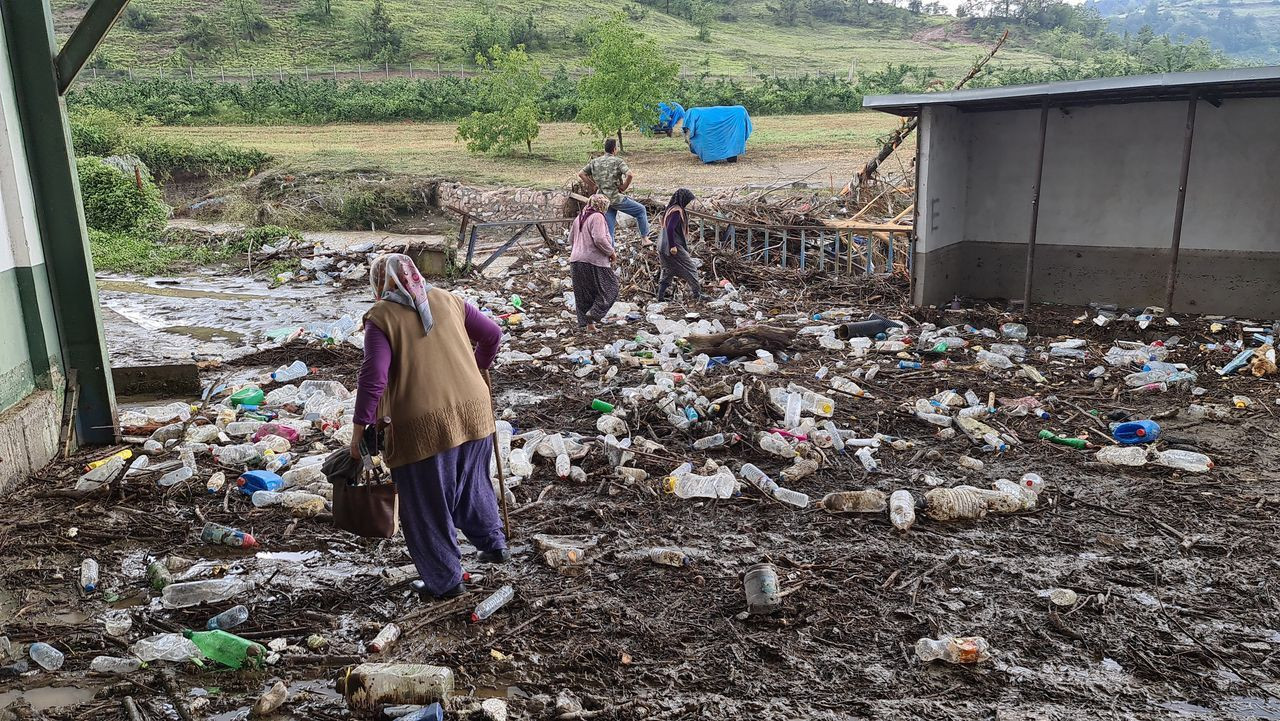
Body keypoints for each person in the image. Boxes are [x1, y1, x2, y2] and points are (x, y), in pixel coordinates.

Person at [351, 253, 508, 601]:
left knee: (425, 504)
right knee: (472, 482)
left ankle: (445, 580)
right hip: (475, 409)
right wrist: (476, 367)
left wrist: (359, 428)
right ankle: (494, 545)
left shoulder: (381, 316)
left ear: (381, 283)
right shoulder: (450, 300)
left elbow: (374, 376)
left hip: (421, 425)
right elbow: (493, 334)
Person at [578, 138, 650, 240]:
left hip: (603, 201)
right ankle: (645, 238)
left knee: (609, 230)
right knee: (640, 210)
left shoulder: (595, 162)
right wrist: (624, 186)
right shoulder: (618, 161)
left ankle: (610, 253)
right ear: (614, 149)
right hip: (616, 198)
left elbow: (581, 174)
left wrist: (593, 185)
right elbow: (629, 174)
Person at [568, 194, 619, 331]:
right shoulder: (597, 216)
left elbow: (570, 238)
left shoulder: (579, 217)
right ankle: (594, 314)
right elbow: (599, 239)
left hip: (576, 260)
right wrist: (611, 252)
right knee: (611, 288)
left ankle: (588, 325)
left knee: (585, 293)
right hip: (593, 260)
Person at [657, 188, 702, 302]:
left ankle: (660, 297)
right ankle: (697, 294)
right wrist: (673, 246)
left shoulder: (670, 208)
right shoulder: (677, 211)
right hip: (672, 245)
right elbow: (670, 228)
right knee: (691, 268)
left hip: (662, 245)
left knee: (668, 270)